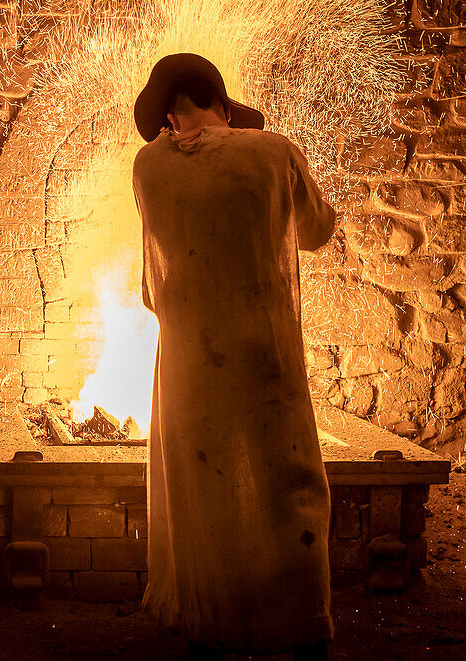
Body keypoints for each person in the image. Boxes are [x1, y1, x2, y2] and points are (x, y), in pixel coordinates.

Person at [131, 54, 337, 660]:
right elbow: (316, 230)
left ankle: (209, 632)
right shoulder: (274, 151)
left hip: (192, 370)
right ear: (222, 104)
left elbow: (151, 285)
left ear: (171, 116)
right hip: (266, 357)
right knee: (288, 488)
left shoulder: (148, 166)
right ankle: (304, 633)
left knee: (203, 499)